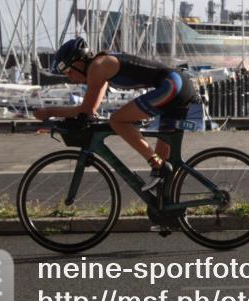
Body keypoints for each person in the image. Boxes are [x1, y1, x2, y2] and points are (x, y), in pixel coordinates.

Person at [33, 37, 198, 191]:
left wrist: (49, 112)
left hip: (172, 86)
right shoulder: (100, 67)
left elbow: (84, 110)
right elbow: (89, 111)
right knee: (165, 169)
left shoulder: (97, 67)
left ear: (79, 62)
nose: (70, 78)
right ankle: (168, 208)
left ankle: (155, 163)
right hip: (177, 84)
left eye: (69, 72)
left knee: (117, 121)